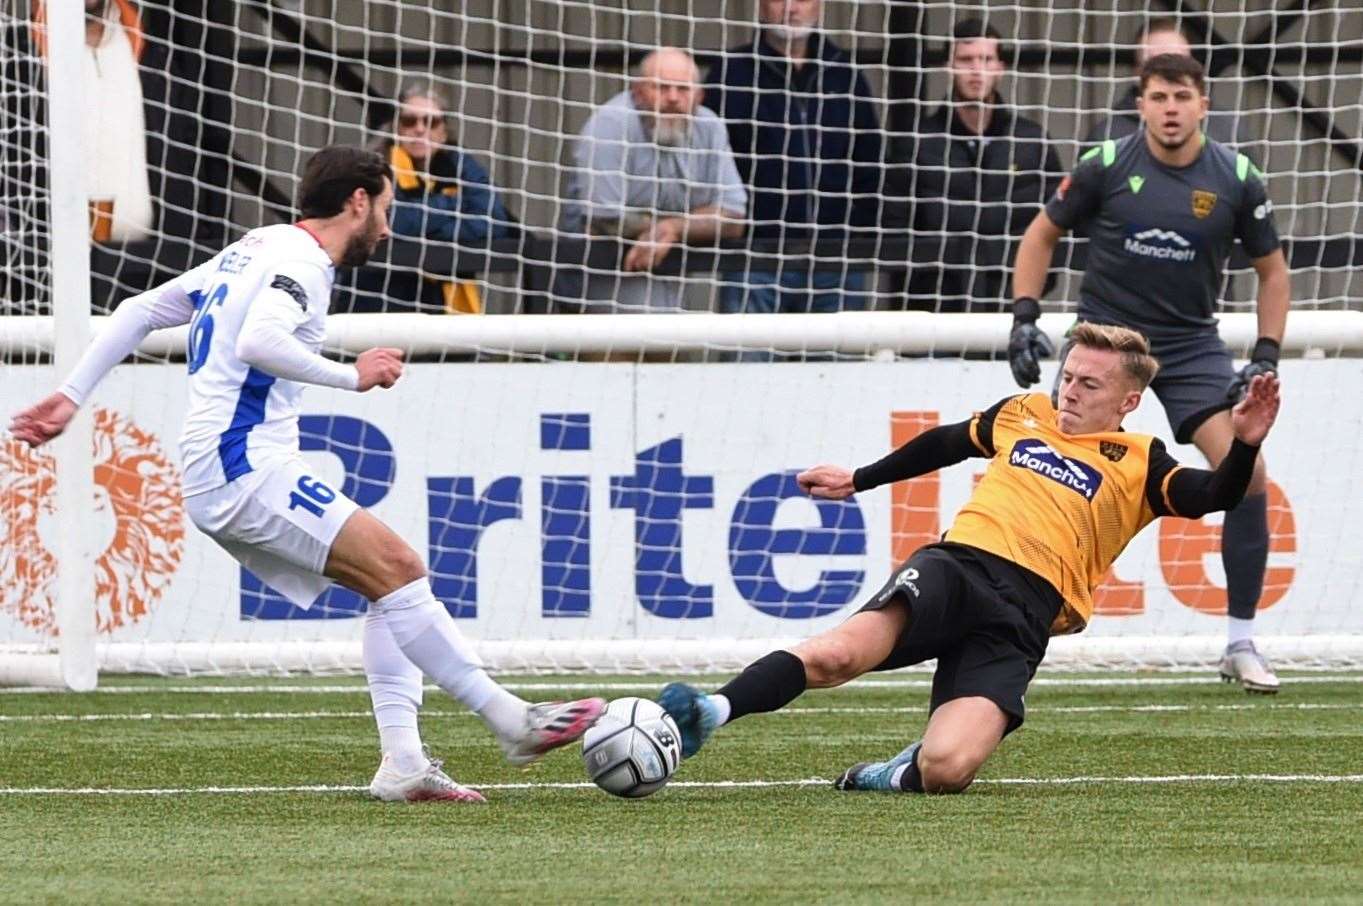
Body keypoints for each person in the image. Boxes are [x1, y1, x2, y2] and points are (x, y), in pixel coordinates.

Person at [8, 146, 604, 803]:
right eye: (386, 208)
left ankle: (405, 764)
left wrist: (71, 393)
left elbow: (138, 311)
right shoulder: (304, 263)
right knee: (400, 568)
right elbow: (259, 341)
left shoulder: (256, 245)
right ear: (356, 201)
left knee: (392, 583)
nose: (388, 226)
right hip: (241, 466)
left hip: (228, 467)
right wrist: (352, 375)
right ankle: (511, 722)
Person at [658, 323, 1281, 794]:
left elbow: (1214, 495)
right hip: (957, 568)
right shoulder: (1024, 413)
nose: (1069, 391)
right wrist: (861, 478)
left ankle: (888, 773)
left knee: (947, 771)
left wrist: (1245, 445)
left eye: (1089, 384)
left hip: (1025, 617)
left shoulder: (1142, 459)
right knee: (837, 654)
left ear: (1128, 401)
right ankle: (707, 713)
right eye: (1068, 375)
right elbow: (946, 443)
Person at [1007, 54, 1290, 692]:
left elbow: (1274, 273)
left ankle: (1240, 640)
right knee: (1051, 470)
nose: (1170, 108)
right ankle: (1021, 618)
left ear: (1202, 105)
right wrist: (1024, 317)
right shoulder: (1105, 165)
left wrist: (1266, 352)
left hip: (1191, 346)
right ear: (1141, 103)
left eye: (1181, 97)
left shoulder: (1237, 176)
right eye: (1158, 96)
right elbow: (1039, 237)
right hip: (1107, 344)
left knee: (1250, 476)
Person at [1, 0, 229, 312]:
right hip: (37, 275)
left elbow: (193, 151)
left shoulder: (157, 52)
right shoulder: (13, 55)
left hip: (151, 271)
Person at [704, 0, 884, 315]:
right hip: (754, 259)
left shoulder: (844, 74)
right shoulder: (731, 72)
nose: (791, 8)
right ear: (760, 6)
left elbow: (869, 161)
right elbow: (710, 160)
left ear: (820, 6)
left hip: (835, 261)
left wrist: (854, 236)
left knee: (834, 363)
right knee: (749, 359)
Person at [886, 19, 1064, 313]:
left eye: (986, 59)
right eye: (966, 59)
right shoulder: (916, 143)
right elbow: (894, 229)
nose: (976, 70)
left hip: (1013, 309)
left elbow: (1057, 221)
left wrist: (1026, 291)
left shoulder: (1033, 142)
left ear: (1000, 67)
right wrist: (924, 295)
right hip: (936, 316)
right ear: (949, 66)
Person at [554, 47, 747, 313]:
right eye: (661, 88)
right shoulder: (610, 123)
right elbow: (604, 219)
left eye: (683, 89)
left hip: (673, 301)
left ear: (700, 96)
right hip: (598, 301)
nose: (672, 98)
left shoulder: (710, 127)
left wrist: (673, 228)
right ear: (638, 92)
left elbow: (734, 217)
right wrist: (690, 223)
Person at [343, 81, 518, 315]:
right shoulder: (373, 164)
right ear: (397, 128)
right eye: (410, 121)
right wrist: (455, 207)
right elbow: (394, 220)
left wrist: (427, 226)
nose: (419, 129)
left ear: (443, 132)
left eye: (431, 122)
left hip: (439, 296)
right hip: (380, 294)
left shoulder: (461, 164)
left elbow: (494, 220)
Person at [1084, 19, 1257, 157]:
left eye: (1180, 62)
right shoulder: (1106, 137)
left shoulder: (1228, 131)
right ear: (1137, 71)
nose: (1170, 72)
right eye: (1156, 64)